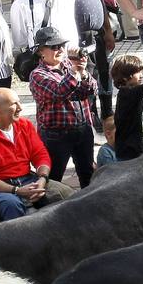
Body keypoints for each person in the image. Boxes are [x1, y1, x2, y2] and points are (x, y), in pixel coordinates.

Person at [0, 88, 74, 221]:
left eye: (19, 102)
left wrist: (42, 179)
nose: (20, 108)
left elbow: (40, 154)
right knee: (11, 204)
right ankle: (18, 234)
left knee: (66, 194)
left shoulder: (25, 125)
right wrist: (16, 190)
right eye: (14, 104)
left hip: (26, 179)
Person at [27, 26, 97, 188]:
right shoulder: (37, 75)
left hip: (83, 129)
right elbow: (59, 92)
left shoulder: (70, 65)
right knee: (53, 179)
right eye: (54, 47)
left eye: (61, 45)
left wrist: (83, 72)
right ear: (40, 51)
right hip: (56, 135)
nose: (59, 49)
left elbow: (90, 90)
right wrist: (74, 72)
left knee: (88, 174)